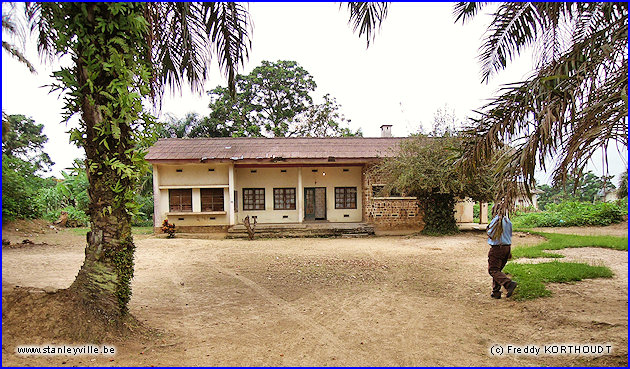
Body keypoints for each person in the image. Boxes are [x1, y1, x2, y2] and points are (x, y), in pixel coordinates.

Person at [486, 212, 517, 299]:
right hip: (506, 247)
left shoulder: (496, 220)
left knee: (493, 270)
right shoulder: (508, 220)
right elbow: (509, 235)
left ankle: (508, 284)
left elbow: (491, 234)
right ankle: (496, 292)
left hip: (497, 248)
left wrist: (487, 229)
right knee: (498, 270)